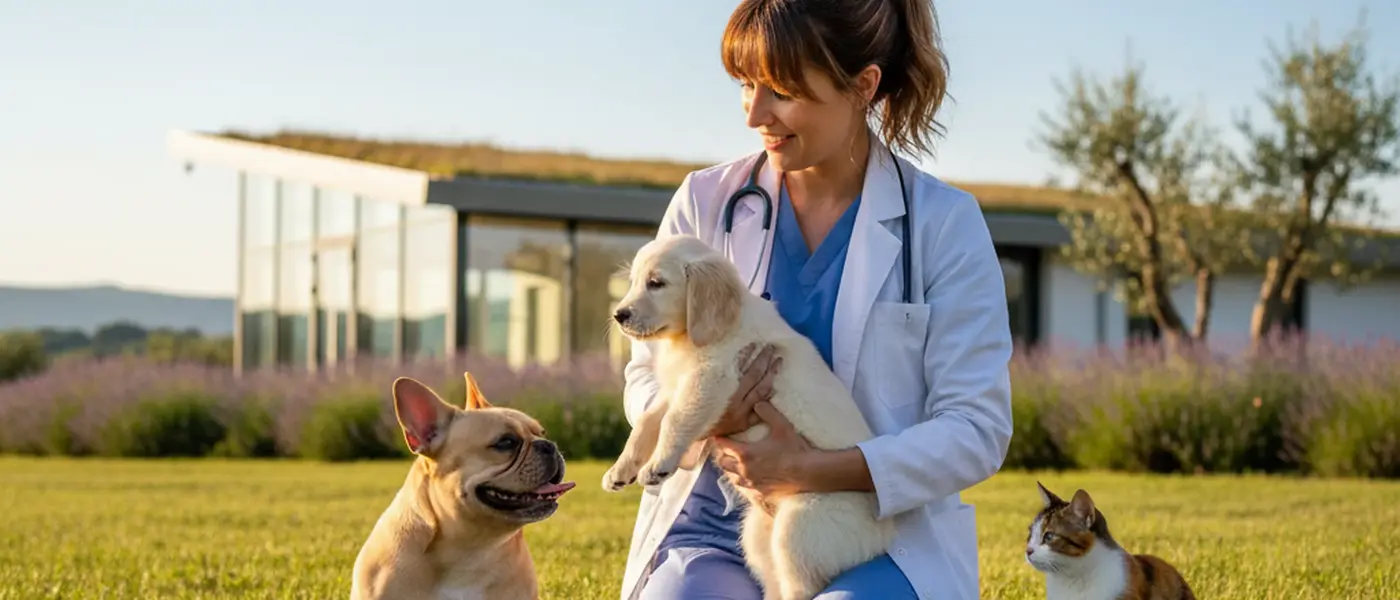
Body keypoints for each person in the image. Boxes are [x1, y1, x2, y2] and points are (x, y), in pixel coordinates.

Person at [616, 0, 1014, 599]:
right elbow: (644, 373)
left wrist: (811, 471)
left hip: (869, 525)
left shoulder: (943, 224)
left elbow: (976, 427)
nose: (755, 114)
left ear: (863, 86)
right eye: (746, 86)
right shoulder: (705, 201)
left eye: (781, 91)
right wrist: (709, 413)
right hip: (717, 524)